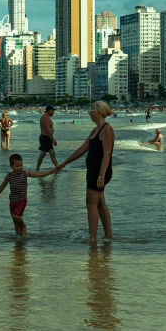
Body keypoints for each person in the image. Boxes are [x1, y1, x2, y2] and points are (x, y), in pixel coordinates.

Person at [58, 101, 115, 242]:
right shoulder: (95, 130)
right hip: (93, 171)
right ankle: (108, 236)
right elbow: (82, 150)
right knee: (100, 203)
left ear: (100, 112)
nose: (89, 113)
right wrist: (65, 163)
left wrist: (101, 175)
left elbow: (107, 154)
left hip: (99, 171)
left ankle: (92, 238)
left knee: (91, 203)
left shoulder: (106, 129)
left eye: (92, 111)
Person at [0, 153, 57, 237]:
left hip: (22, 200)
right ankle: (19, 240)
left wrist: (51, 171)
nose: (19, 168)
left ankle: (24, 226)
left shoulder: (25, 173)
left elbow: (39, 175)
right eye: (17, 166)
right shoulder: (9, 176)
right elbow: (1, 187)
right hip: (12, 201)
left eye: (21, 165)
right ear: (11, 166)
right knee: (15, 222)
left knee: (16, 216)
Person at [36, 105, 59, 171]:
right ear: (49, 110)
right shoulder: (46, 118)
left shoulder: (45, 117)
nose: (54, 112)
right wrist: (53, 139)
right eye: (53, 111)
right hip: (46, 137)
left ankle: (57, 167)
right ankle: (37, 169)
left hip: (46, 138)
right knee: (43, 154)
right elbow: (47, 130)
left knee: (51, 153)